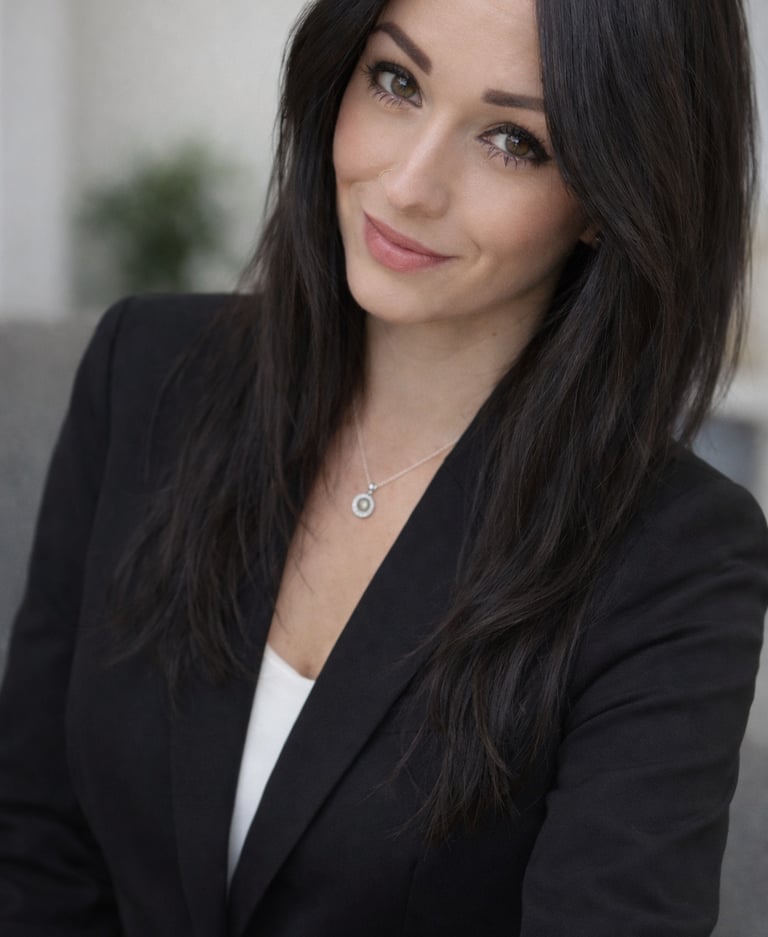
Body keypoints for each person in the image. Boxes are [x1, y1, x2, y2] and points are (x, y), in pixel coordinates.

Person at [1, 0, 767, 934]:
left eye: (513, 141)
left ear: (610, 200)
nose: (407, 185)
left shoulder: (678, 557)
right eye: (396, 82)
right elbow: (34, 840)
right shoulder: (147, 373)